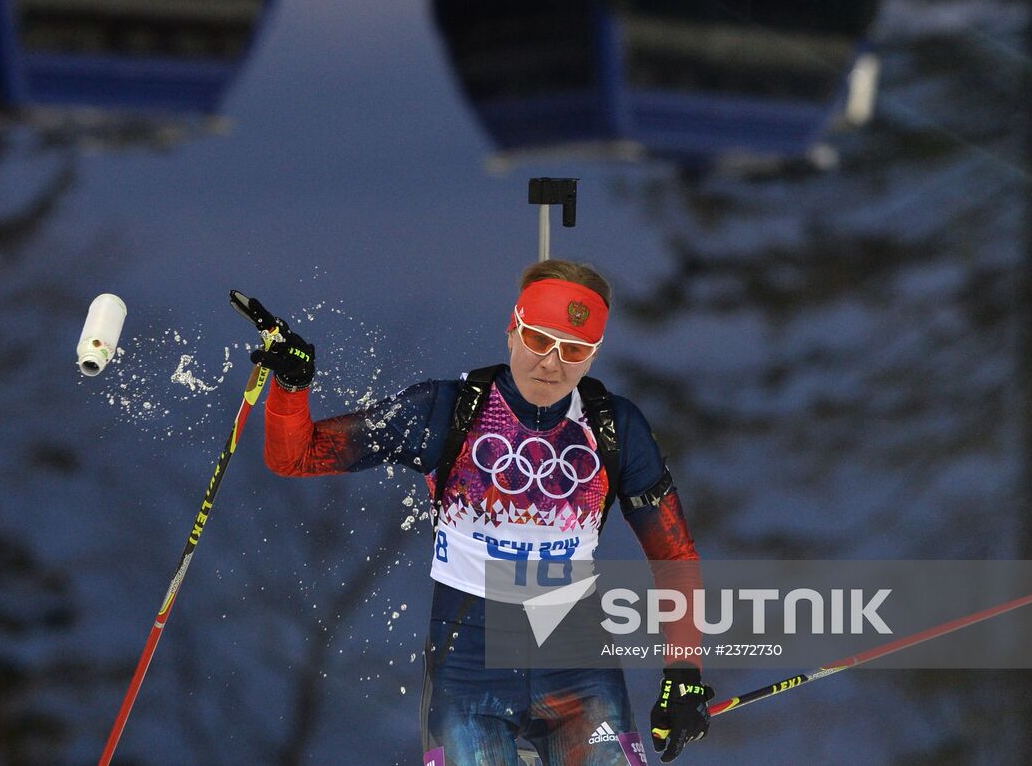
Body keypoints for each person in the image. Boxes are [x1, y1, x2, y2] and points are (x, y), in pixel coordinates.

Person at [254, 260, 712, 766]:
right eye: (539, 340)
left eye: (574, 350)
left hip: (578, 668)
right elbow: (294, 456)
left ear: (592, 357)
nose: (552, 364)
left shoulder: (614, 427)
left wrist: (683, 676)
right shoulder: (447, 411)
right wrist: (293, 385)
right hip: (469, 670)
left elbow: (674, 554)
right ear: (513, 329)